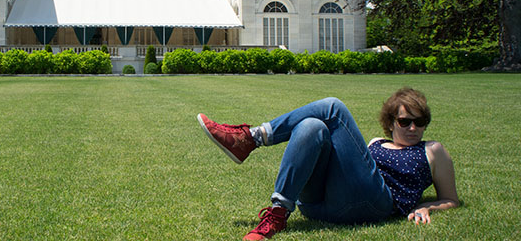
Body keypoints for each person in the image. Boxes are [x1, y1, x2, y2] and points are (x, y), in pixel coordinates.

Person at [197, 87, 459, 240]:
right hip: (320, 206)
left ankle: (250, 138)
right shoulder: (375, 143)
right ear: (391, 123)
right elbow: (345, 168)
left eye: (420, 122)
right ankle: (278, 213)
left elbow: (451, 199)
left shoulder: (433, 150)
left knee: (333, 107)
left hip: (376, 204)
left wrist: (427, 206)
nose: (413, 128)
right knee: (312, 126)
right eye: (404, 121)